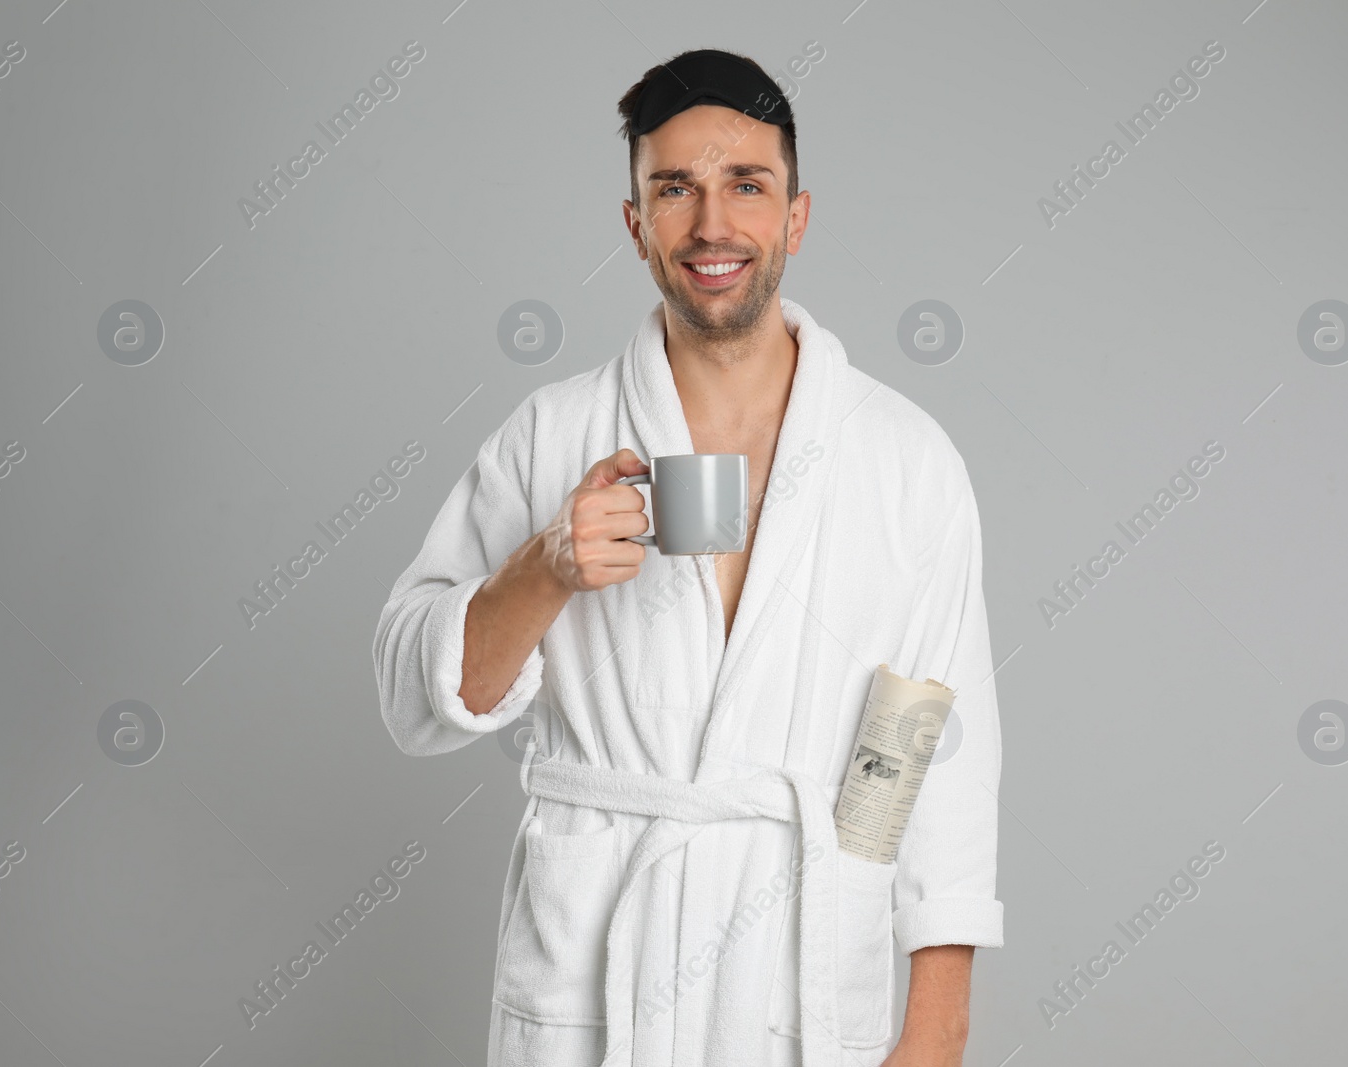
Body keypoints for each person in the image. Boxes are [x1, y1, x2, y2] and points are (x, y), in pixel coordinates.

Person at [373, 47, 1003, 1067]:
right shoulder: (553, 436)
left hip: (800, 982)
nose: (712, 226)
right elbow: (412, 695)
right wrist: (544, 569)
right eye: (675, 189)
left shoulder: (904, 459)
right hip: (596, 987)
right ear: (636, 225)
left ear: (796, 214)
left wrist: (936, 1026)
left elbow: (936, 746)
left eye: (745, 185)